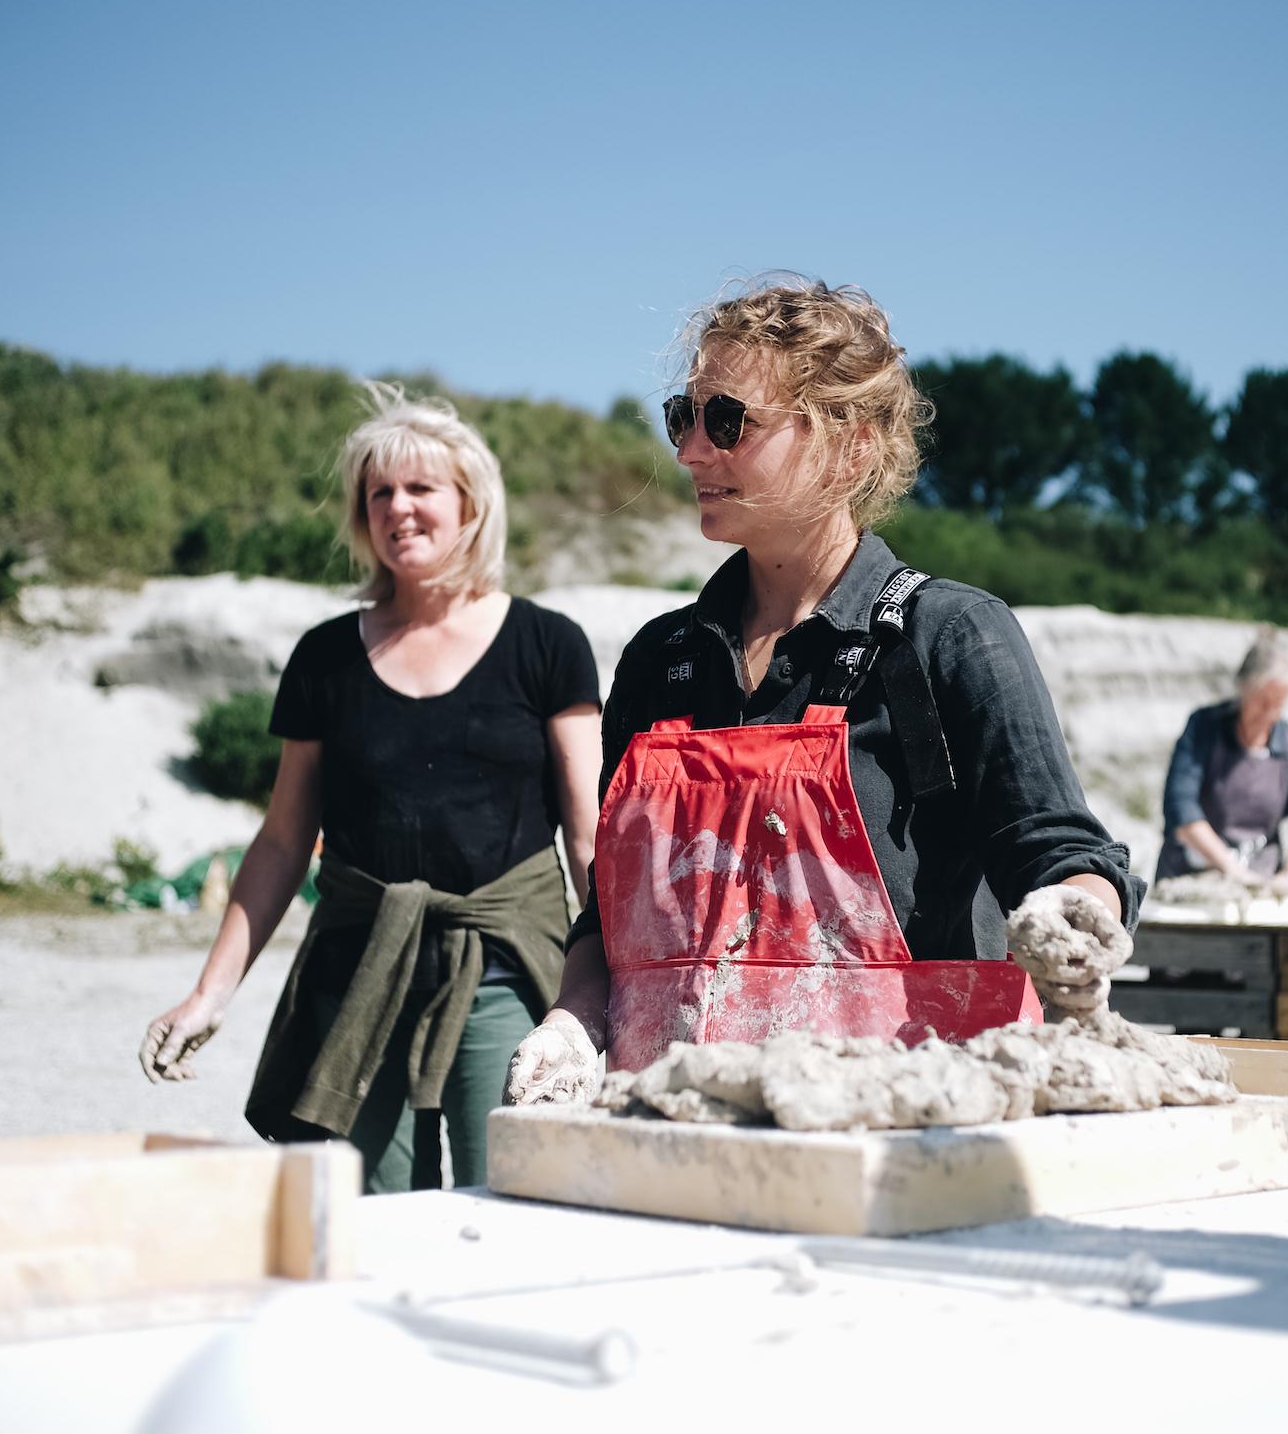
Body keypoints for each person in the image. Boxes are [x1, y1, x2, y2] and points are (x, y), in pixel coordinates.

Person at [504, 278, 1144, 1103]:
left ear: (852, 444)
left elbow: (1065, 856)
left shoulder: (949, 638)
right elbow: (610, 917)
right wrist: (572, 1023)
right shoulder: (660, 660)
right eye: (683, 417)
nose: (691, 450)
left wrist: (1074, 912)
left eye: (727, 420)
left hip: (897, 1139)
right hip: (667, 1125)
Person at [139, 382, 601, 1190]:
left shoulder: (545, 644)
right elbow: (283, 841)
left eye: (421, 487)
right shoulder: (324, 658)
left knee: (519, 1195)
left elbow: (589, 834)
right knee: (370, 1217)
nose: (398, 507)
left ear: (469, 503)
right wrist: (208, 995)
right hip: (357, 976)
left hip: (504, 970)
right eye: (378, 492)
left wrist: (610, 996)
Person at [1153, 630, 1288, 898]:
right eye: (1261, 701)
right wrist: (1233, 870)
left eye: (1277, 704)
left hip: (1261, 888)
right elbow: (1180, 809)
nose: (1268, 713)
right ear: (1243, 688)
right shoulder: (1204, 727)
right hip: (1190, 883)